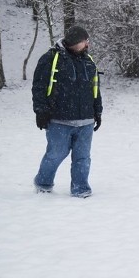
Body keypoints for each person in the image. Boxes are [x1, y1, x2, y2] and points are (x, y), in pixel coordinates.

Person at [31, 25, 103, 197]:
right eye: (85, 41)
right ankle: (43, 183)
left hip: (85, 120)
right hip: (59, 119)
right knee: (56, 154)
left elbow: (95, 89)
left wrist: (97, 111)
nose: (87, 44)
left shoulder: (88, 61)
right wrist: (40, 111)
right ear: (76, 42)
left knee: (83, 158)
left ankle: (81, 188)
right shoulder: (51, 58)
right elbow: (39, 86)